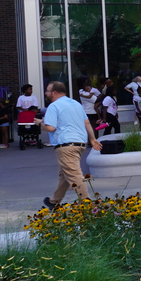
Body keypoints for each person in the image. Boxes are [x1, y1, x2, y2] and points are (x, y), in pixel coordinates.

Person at [38, 81, 102, 209]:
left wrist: (40, 123)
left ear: (54, 92)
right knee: (65, 174)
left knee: (74, 175)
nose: (46, 93)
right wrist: (93, 139)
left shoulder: (54, 106)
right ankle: (53, 201)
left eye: (47, 90)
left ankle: (88, 205)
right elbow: (87, 123)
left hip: (65, 145)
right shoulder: (76, 104)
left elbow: (50, 127)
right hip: (80, 144)